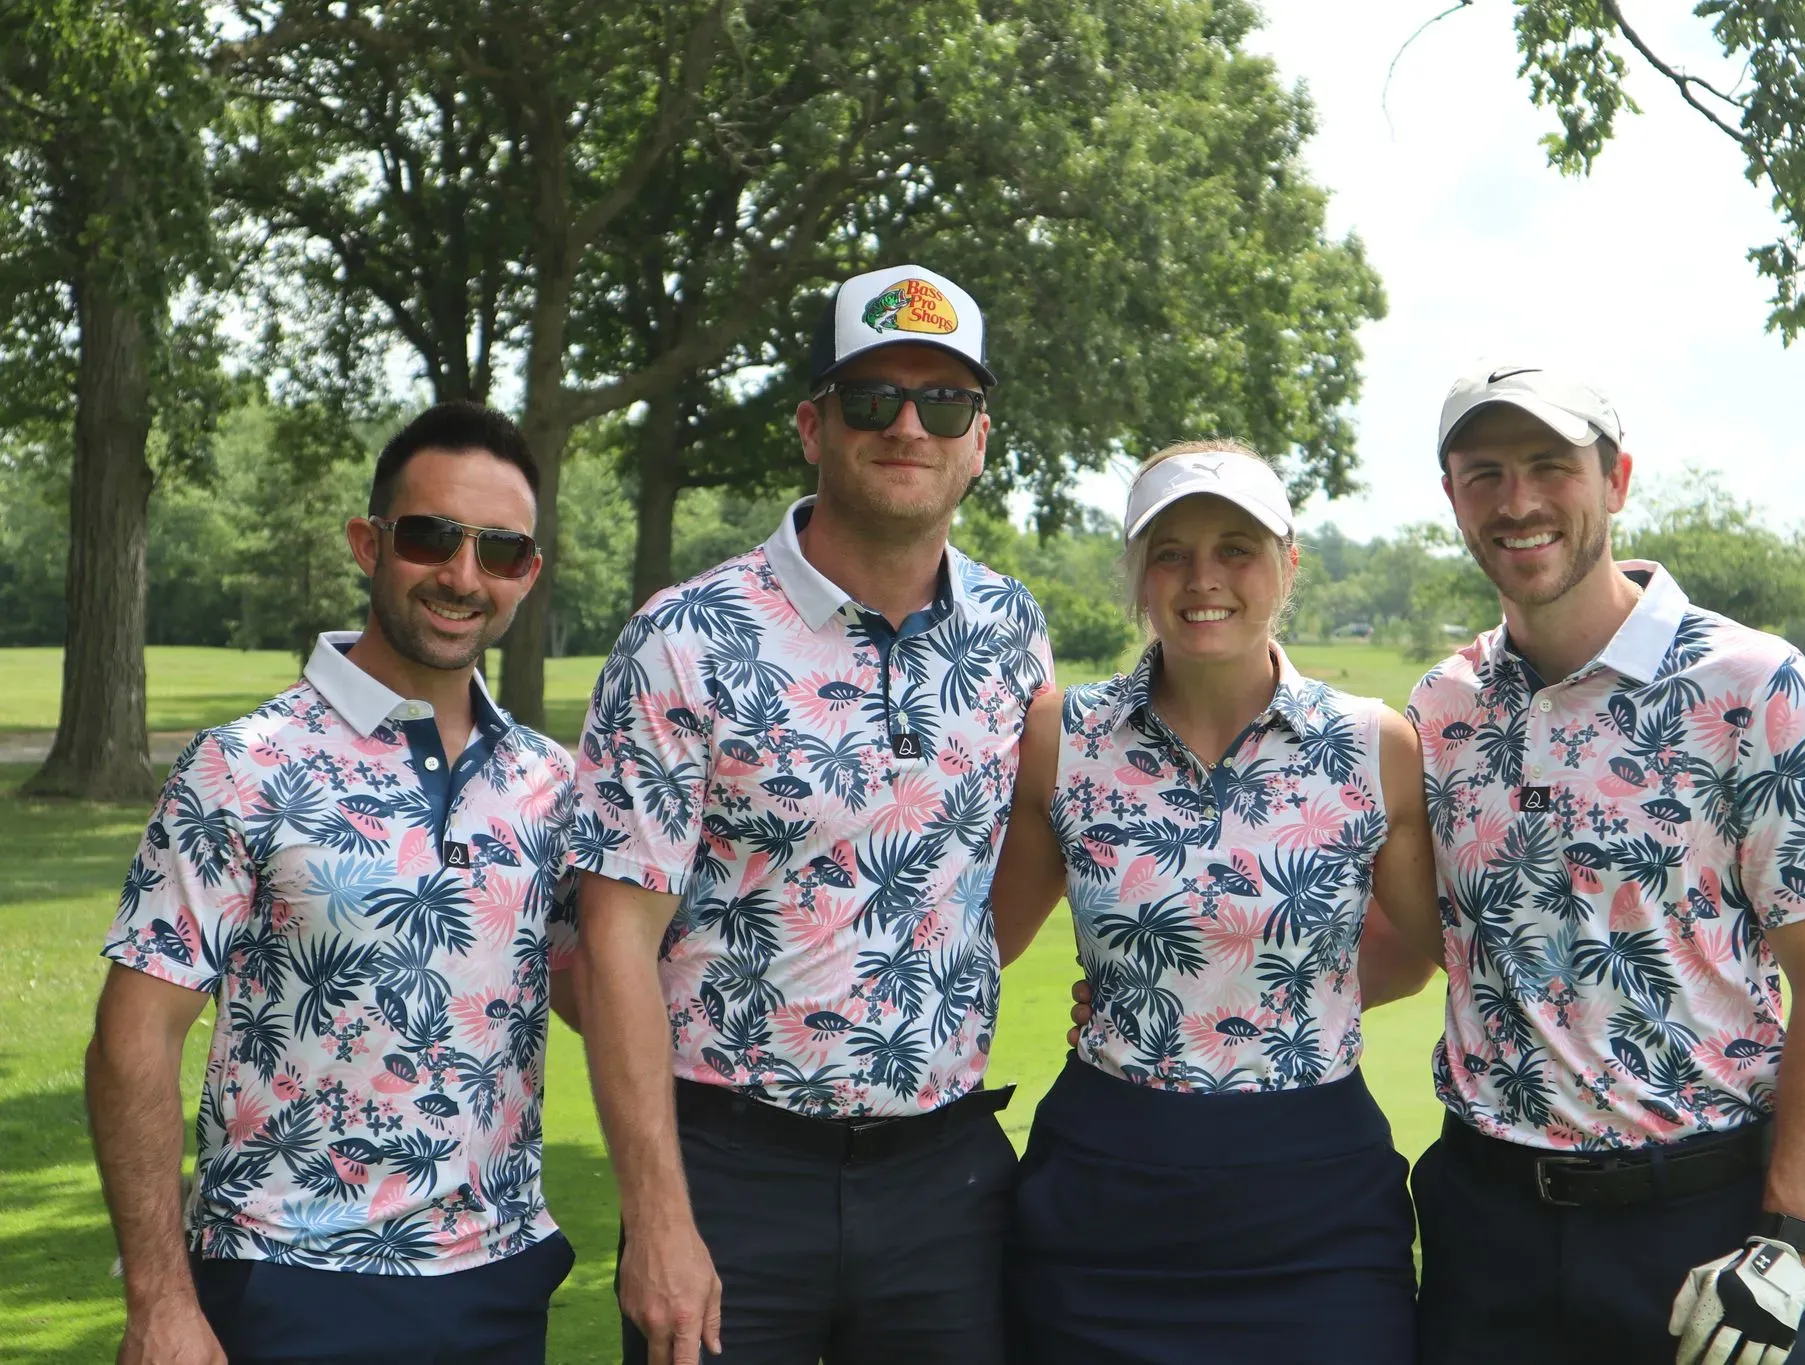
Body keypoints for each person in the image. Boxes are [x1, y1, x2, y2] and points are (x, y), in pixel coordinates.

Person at [568, 264, 1053, 1365]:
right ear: (811, 425)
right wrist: (656, 1216)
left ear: (979, 439)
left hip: (945, 1178)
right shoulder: (684, 638)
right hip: (731, 1176)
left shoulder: (1011, 633)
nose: (908, 427)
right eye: (872, 398)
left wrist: (946, 966)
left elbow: (1006, 871)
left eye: (944, 404)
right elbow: (612, 944)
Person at [1405, 365, 1805, 1364]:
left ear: (1614, 480)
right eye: (1483, 473)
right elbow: (1398, 938)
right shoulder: (1442, 708)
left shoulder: (1752, 686)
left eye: (1549, 466)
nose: (1518, 501)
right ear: (1452, 498)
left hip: (1699, 1233)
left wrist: (1788, 1239)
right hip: (1482, 1227)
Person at [88, 401, 583, 1365]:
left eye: (501, 550)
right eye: (431, 536)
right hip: (286, 1282)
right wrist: (159, 1300)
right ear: (370, 542)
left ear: (529, 573)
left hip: (499, 1284)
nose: (461, 575)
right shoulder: (242, 766)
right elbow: (133, 1037)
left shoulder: (551, 783)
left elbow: (594, 996)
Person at [993, 441, 1445, 1364]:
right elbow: (979, 942)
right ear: (1138, 574)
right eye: (1171, 551)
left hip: (1317, 1205)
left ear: (1288, 563)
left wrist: (1260, 999)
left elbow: (1429, 947)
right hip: (1104, 1199)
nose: (1204, 578)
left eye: (1236, 547)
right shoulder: (1064, 736)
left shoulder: (1372, 747)